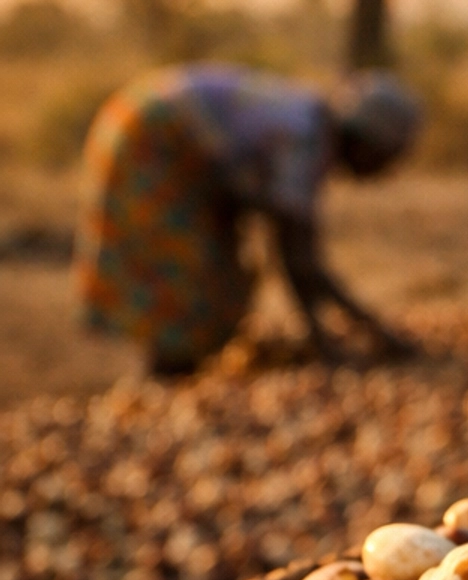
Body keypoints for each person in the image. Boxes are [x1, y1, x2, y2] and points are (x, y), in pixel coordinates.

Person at [76, 63, 424, 375]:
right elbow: (299, 261)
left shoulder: (307, 122)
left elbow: (297, 255)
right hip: (153, 141)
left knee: (219, 271)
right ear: (368, 139)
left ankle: (177, 372)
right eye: (388, 155)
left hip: (142, 117)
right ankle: (168, 376)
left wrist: (361, 332)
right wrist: (336, 343)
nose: (385, 169)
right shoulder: (304, 139)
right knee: (185, 274)